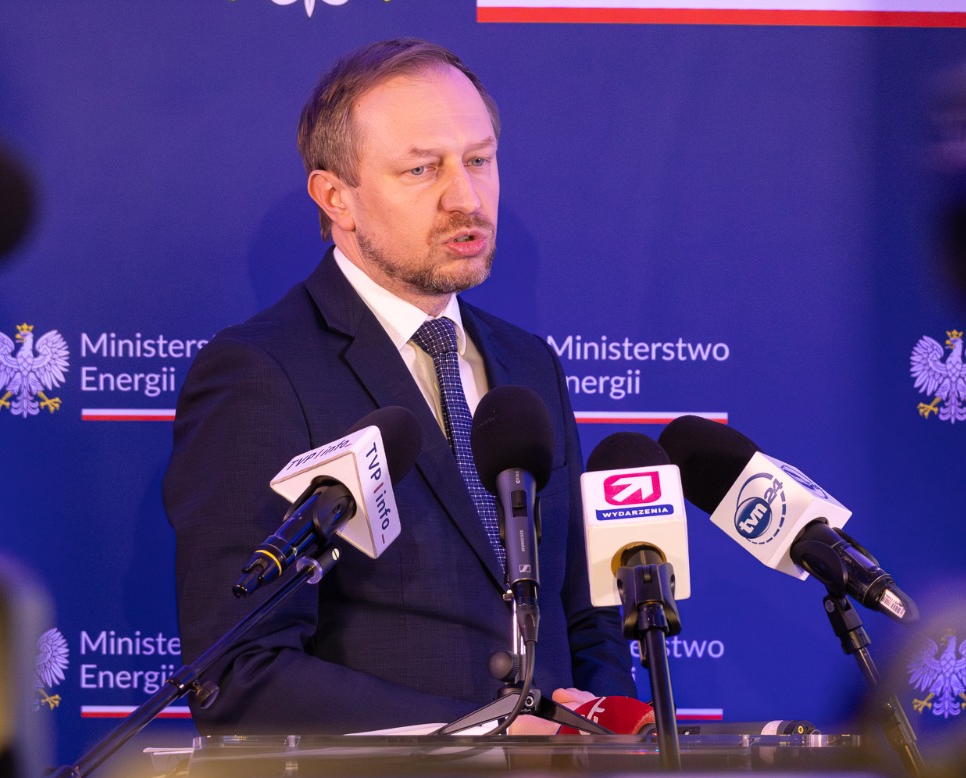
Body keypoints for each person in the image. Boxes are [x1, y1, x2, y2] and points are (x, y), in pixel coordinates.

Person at [164, 38, 634, 735]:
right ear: (336, 198)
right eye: (422, 169)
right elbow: (237, 672)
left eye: (479, 160)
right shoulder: (261, 372)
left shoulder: (530, 364)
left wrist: (609, 736)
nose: (465, 198)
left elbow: (587, 621)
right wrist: (483, 736)